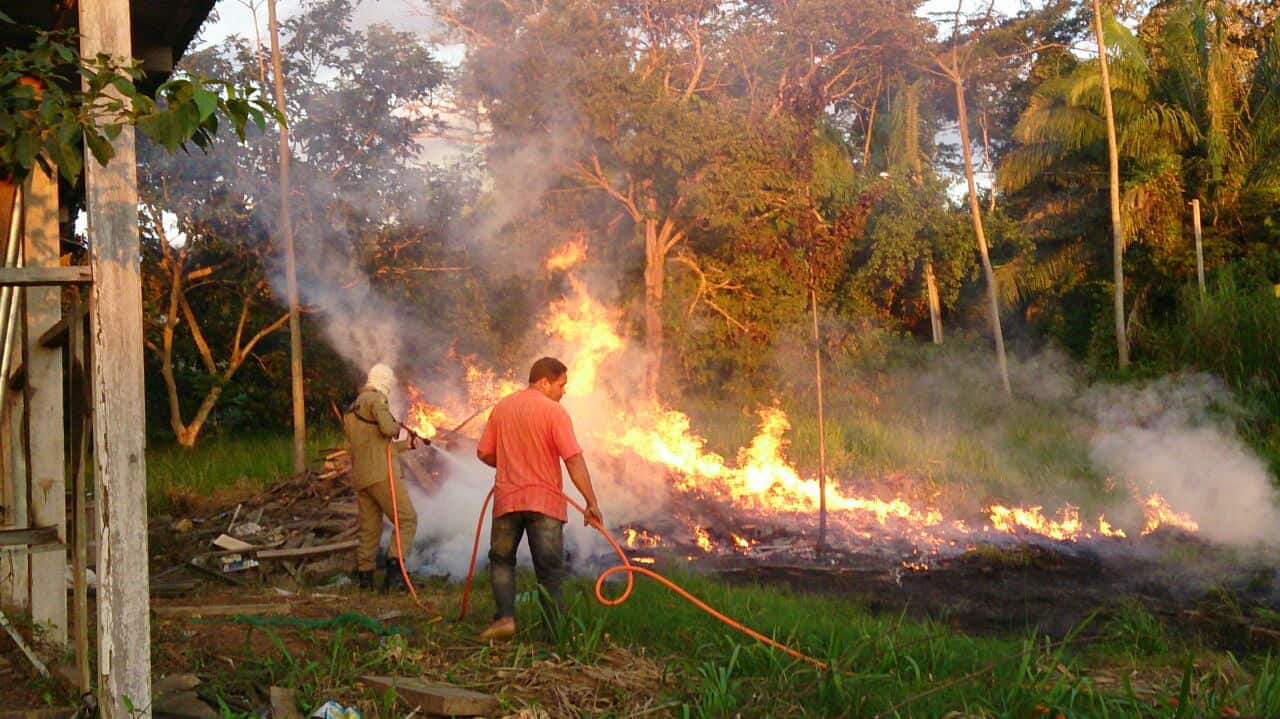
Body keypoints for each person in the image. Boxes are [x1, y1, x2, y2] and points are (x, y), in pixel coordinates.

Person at [475, 356, 603, 641]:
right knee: (549, 571)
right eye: (561, 384)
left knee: (502, 560)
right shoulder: (554, 412)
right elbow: (573, 459)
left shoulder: (503, 407)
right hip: (544, 503)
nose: (563, 391)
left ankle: (505, 619)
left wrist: (511, 465)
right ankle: (554, 634)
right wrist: (590, 501)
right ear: (544, 382)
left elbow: (484, 453)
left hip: (507, 499)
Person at [342, 362, 419, 592]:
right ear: (384, 380)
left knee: (370, 527)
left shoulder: (351, 410)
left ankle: (365, 578)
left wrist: (407, 445)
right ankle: (394, 576)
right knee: (407, 520)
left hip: (362, 477)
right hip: (382, 474)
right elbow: (388, 429)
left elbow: (376, 444)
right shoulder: (376, 399)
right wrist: (397, 426)